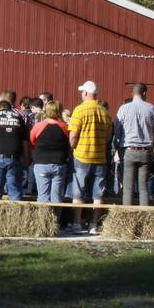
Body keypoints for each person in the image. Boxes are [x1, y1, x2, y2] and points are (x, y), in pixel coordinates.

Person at [68, 80, 112, 233]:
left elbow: (73, 135)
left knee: (78, 191)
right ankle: (93, 224)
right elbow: (107, 137)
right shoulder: (104, 112)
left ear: (86, 93)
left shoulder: (79, 110)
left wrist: (71, 148)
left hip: (81, 155)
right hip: (99, 156)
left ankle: (77, 223)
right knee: (98, 194)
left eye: (82, 92)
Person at [115, 83, 154, 206]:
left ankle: (127, 215)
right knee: (143, 187)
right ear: (144, 93)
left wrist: (118, 146)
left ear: (132, 93)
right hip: (145, 150)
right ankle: (144, 214)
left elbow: (117, 130)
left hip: (129, 149)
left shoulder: (123, 108)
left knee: (128, 187)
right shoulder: (151, 108)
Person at [29, 100, 69, 203]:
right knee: (57, 197)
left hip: (41, 163)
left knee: (43, 196)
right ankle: (56, 218)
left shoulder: (38, 126)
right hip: (59, 164)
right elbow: (69, 143)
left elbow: (31, 141)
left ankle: (44, 218)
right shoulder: (64, 126)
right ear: (59, 111)